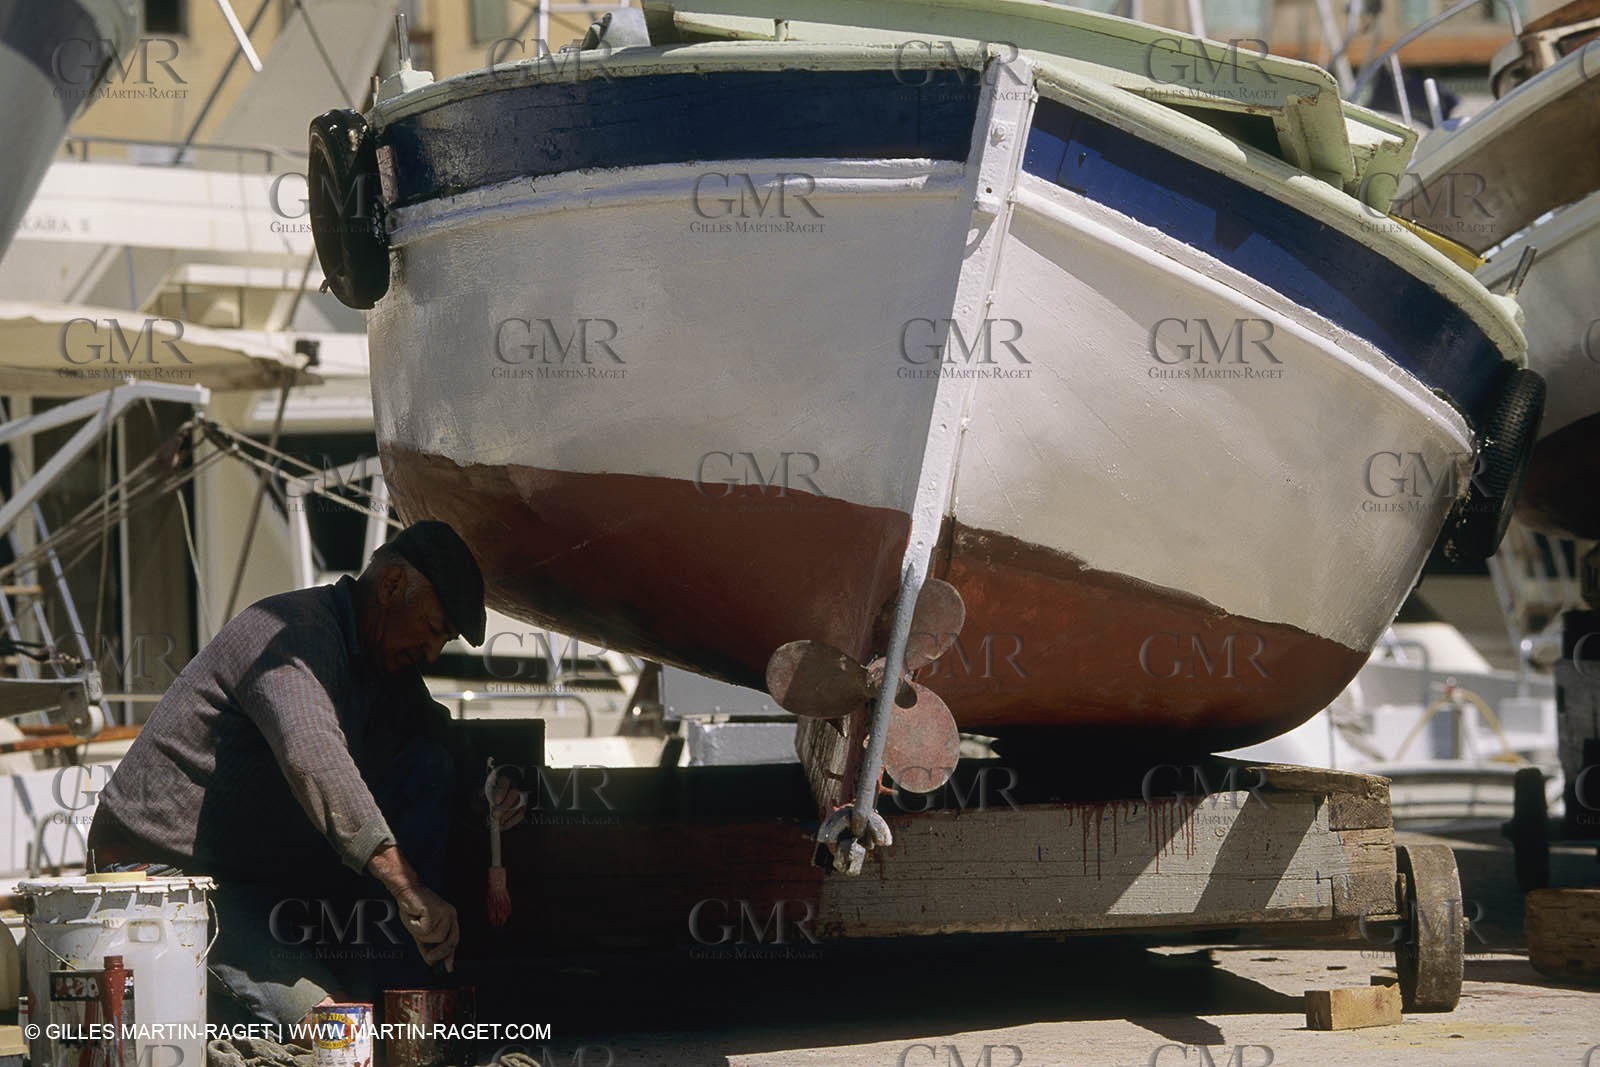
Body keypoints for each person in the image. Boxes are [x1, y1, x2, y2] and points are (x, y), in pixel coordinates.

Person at [87, 520, 525, 1026]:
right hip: (164, 877)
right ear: (390, 586)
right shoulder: (292, 636)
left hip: (262, 882)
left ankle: (401, 1004)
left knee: (428, 764)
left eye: (442, 642)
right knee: (334, 1028)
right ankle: (355, 1019)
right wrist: (409, 888)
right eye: (431, 630)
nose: (430, 654)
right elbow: (312, 756)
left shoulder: (383, 660)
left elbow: (437, 735)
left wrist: (487, 790)